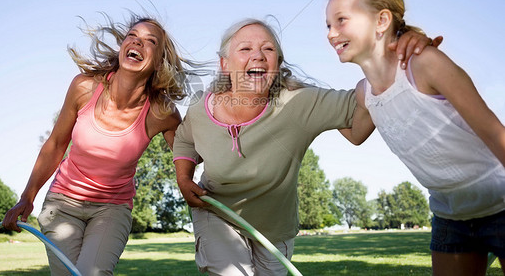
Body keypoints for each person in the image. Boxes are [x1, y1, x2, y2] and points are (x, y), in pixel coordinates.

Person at [173, 17, 436, 275]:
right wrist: (184, 178)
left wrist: (392, 65)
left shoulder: (299, 102)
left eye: (268, 48)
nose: (259, 55)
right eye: (245, 49)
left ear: (278, 63)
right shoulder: (202, 108)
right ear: (225, 64)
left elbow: (358, 127)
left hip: (275, 227)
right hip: (216, 212)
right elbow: (185, 140)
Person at [325, 0, 505, 276]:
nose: (331, 34)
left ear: (381, 20)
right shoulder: (364, 92)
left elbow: (493, 132)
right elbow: (355, 135)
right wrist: (296, 99)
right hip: (450, 216)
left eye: (341, 21)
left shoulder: (424, 63)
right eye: (328, 25)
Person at [3, 14, 188, 276]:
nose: (137, 42)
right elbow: (56, 144)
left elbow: (188, 157)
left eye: (150, 41)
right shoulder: (84, 88)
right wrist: (27, 197)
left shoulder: (161, 112)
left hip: (112, 209)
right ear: (123, 47)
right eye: (132, 36)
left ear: (159, 61)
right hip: (62, 204)